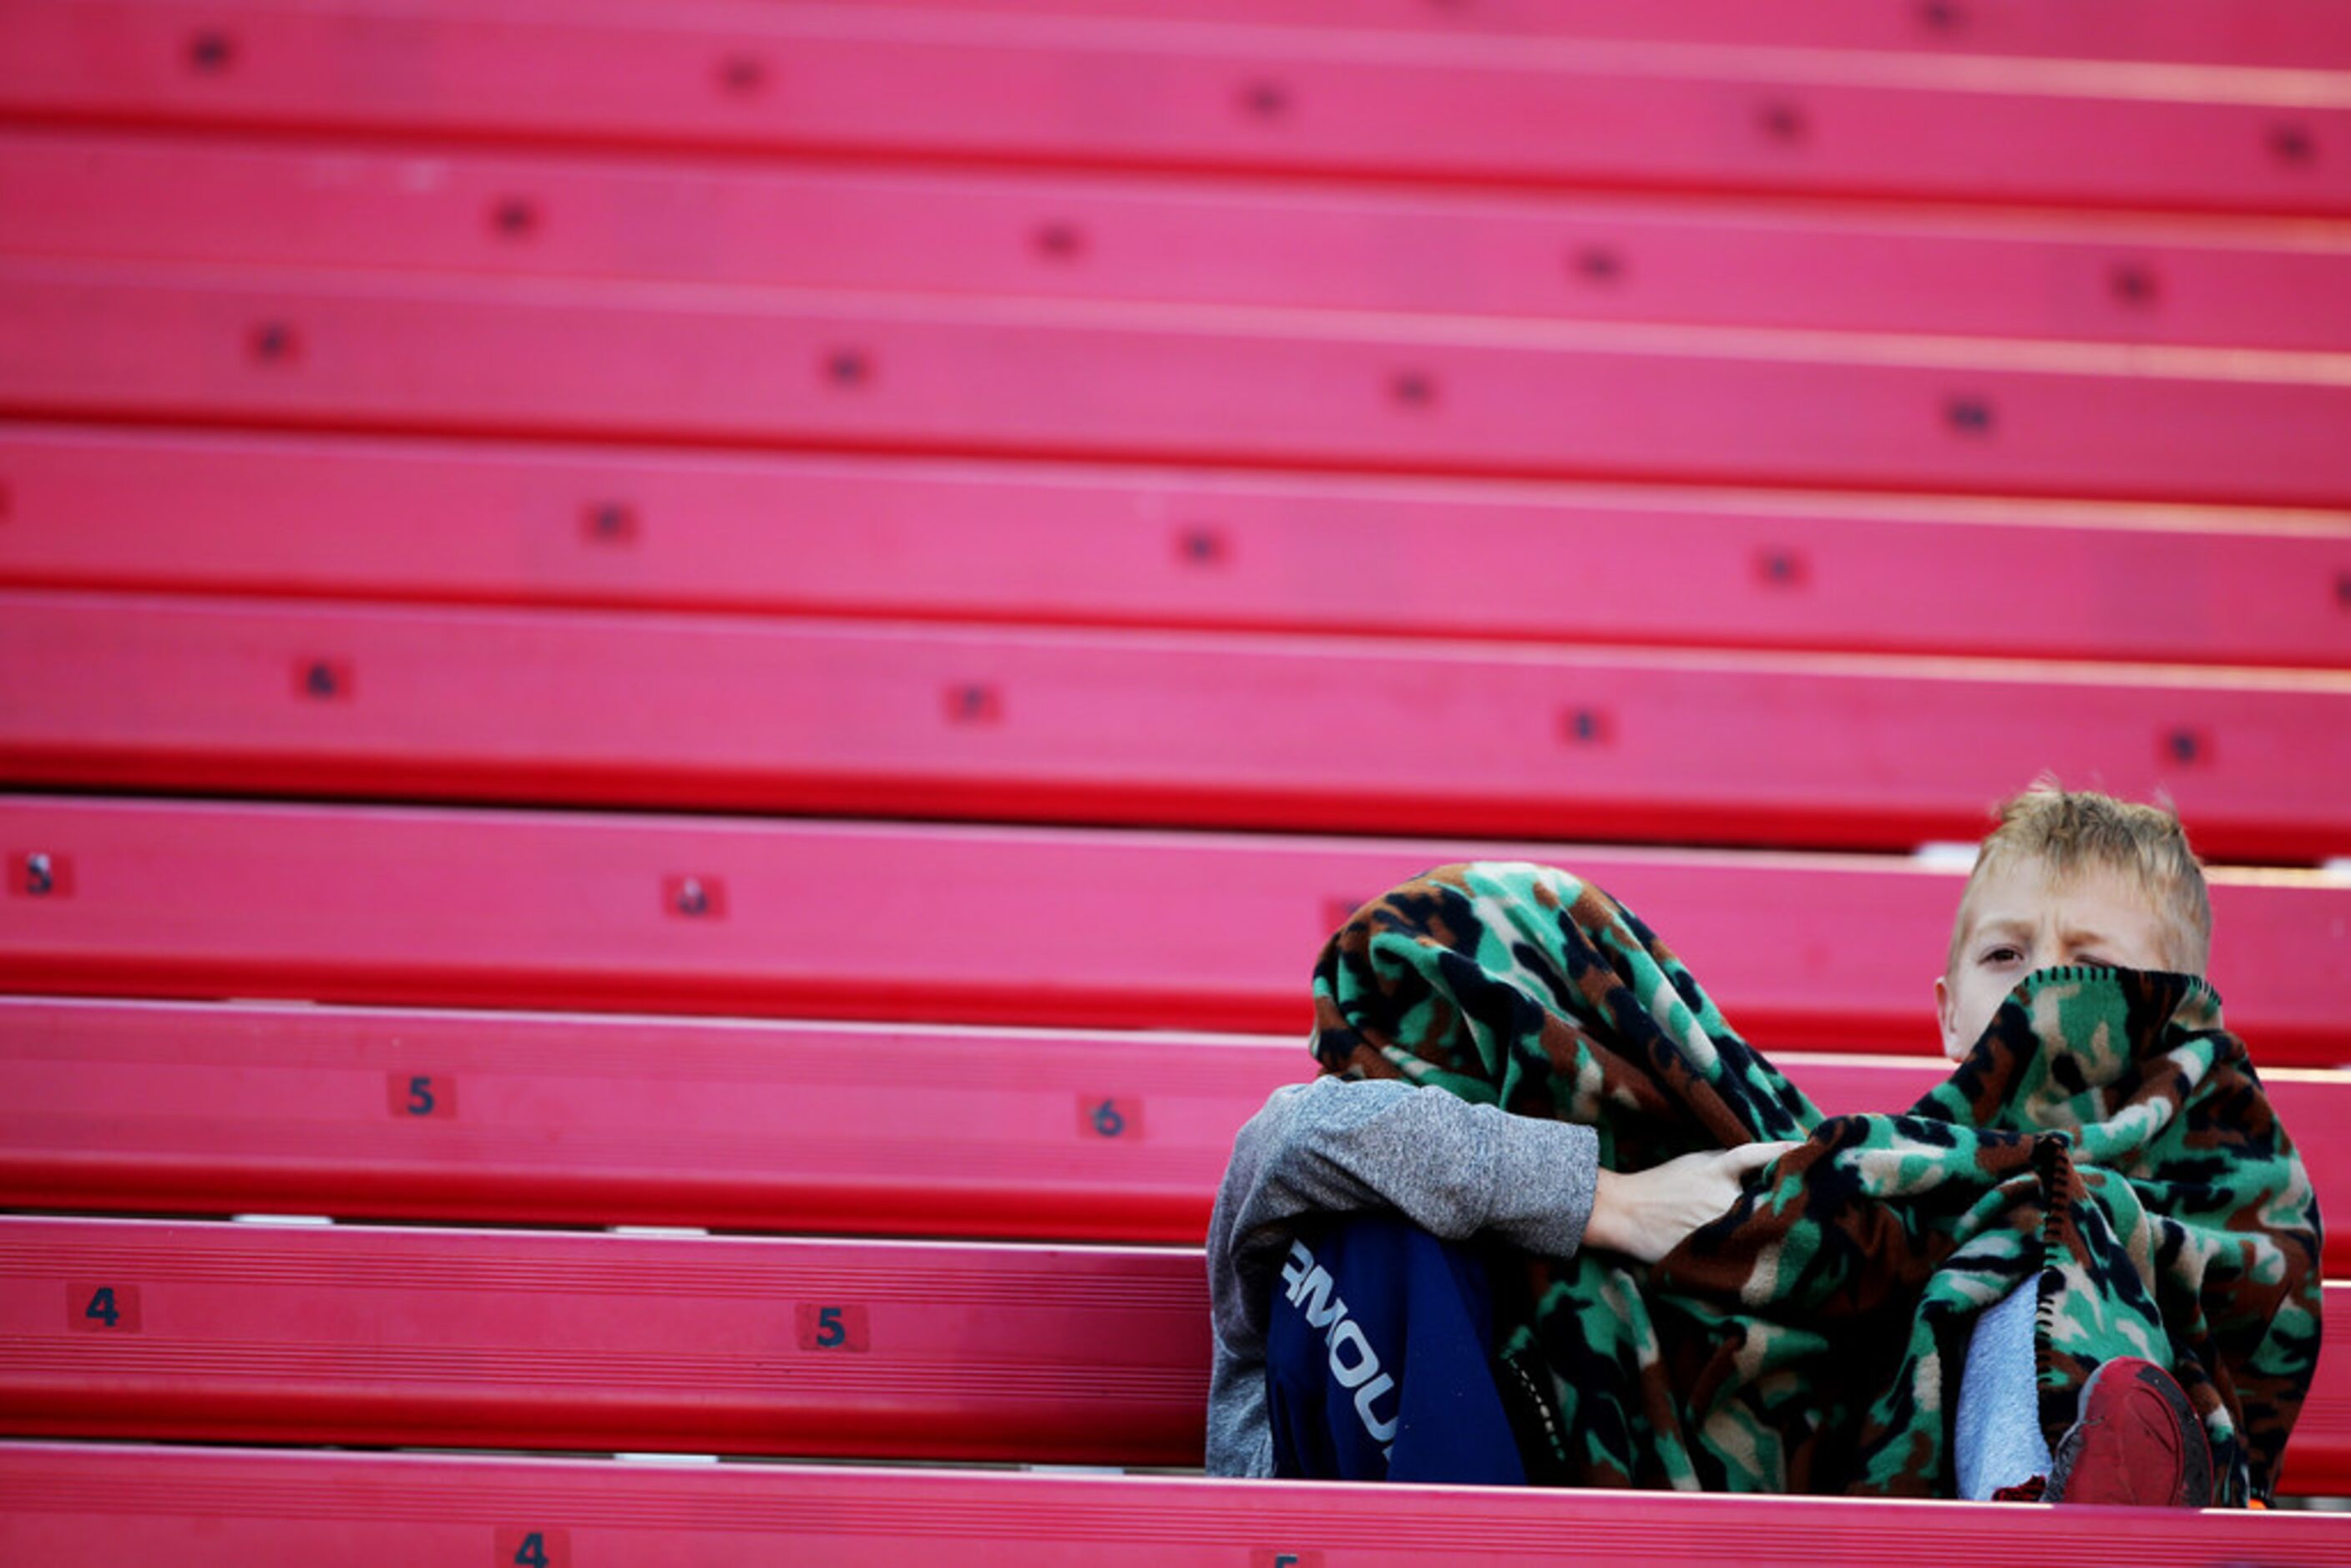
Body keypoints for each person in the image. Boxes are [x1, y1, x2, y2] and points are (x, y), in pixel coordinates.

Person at [1205, 782, 2320, 1505]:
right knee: (1378, 1232)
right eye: (2007, 957)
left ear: (2175, 1015)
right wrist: (1611, 1201)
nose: (2040, 992)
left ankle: (2041, 1508)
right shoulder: (1816, 1198)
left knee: (2057, 1221)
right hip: (1541, 1477)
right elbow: (1294, 1141)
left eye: (2086, 969)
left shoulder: (2191, 1202)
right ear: (1943, 1008)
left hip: (2043, 1465)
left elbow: (2245, 1329)